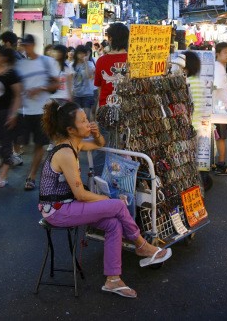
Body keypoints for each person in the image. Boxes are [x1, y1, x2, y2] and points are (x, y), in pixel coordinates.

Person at [38, 101, 171, 298]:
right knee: (116, 205)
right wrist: (103, 198)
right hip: (57, 211)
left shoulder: (75, 144)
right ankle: (142, 245)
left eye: (86, 119)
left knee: (113, 225)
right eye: (83, 121)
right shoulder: (65, 152)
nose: (88, 123)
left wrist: (97, 132)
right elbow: (81, 195)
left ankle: (113, 280)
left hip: (67, 206)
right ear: (70, 129)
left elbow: (100, 144)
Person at [15, 34, 60, 191]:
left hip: (41, 110)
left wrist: (40, 88)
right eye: (23, 45)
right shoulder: (20, 65)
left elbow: (56, 84)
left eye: (27, 45)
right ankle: (16, 163)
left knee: (39, 144)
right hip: (23, 111)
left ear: (33, 45)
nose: (25, 48)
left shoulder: (47, 62)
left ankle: (32, 176)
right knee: (20, 143)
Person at [0, 45, 24, 187]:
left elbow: (18, 95)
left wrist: (13, 114)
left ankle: (3, 176)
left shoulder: (12, 73)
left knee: (6, 143)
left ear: (3, 57)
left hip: (8, 113)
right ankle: (7, 158)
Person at [213, 42, 227, 175]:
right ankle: (221, 164)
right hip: (219, 111)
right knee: (220, 138)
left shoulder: (220, 67)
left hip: (220, 110)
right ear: (218, 54)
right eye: (225, 52)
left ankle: (217, 163)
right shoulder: (218, 68)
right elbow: (215, 87)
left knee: (219, 137)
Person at [72, 45, 96, 121]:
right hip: (76, 94)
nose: (82, 55)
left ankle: (88, 132)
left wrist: (85, 62)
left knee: (87, 116)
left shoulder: (90, 64)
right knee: (77, 117)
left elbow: (89, 76)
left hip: (87, 94)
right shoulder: (72, 65)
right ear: (76, 54)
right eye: (79, 53)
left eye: (83, 53)